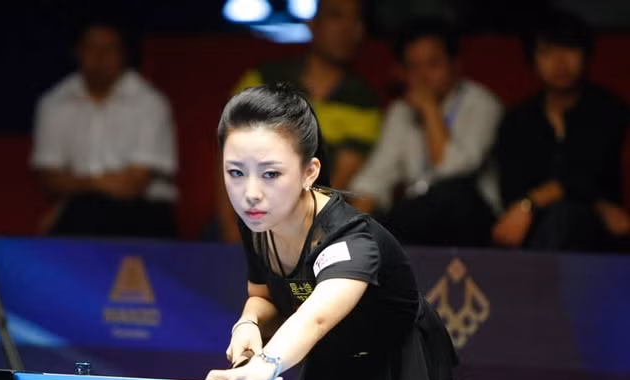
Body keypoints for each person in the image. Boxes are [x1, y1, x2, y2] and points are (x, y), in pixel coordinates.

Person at [204, 83, 457, 380]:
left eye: (270, 173)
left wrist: (264, 363)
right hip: (326, 354)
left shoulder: (351, 239)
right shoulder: (258, 220)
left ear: (309, 172)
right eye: (236, 172)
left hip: (397, 365)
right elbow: (265, 297)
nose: (250, 192)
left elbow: (315, 318)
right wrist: (248, 323)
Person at [215, 0, 381, 242]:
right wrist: (230, 226)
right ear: (313, 24)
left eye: (355, 20)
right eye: (336, 16)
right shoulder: (263, 79)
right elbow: (231, 153)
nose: (347, 28)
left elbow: (333, 182)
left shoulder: (363, 101)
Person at [350, 17, 503, 247]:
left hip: (472, 220)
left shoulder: (482, 104)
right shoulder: (401, 111)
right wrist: (351, 232)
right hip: (418, 216)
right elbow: (375, 179)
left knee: (451, 194)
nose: (423, 76)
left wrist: (429, 109)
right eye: (413, 67)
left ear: (456, 64)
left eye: (433, 64)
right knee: (371, 228)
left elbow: (451, 169)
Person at [492, 9, 630, 252]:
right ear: (533, 60)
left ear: (586, 55)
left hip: (597, 230)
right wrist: (529, 206)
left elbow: (587, 175)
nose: (560, 62)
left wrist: (533, 201)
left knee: (565, 216)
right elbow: (511, 189)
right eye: (547, 52)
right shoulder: (518, 120)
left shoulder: (608, 110)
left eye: (570, 49)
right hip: (532, 226)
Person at [31, 18, 178, 238]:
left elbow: (133, 184)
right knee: (80, 215)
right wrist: (101, 183)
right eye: (91, 48)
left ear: (124, 54)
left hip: (144, 209)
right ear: (77, 52)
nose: (99, 57)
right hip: (79, 209)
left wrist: (78, 183)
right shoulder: (53, 103)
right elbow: (49, 177)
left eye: (109, 49)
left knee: (90, 214)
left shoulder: (150, 103)